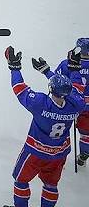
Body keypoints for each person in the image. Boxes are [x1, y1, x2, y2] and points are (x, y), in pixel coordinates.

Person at [2, 46, 84, 207]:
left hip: (35, 153)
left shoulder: (40, 103)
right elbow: (76, 88)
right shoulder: (76, 105)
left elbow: (19, 88)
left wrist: (14, 68)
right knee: (51, 185)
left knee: (21, 180)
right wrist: (68, 69)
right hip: (58, 154)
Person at [32, 38, 89, 167]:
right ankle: (84, 153)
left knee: (62, 126)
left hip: (71, 104)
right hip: (84, 106)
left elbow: (58, 82)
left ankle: (57, 156)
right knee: (86, 133)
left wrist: (46, 71)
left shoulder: (67, 64)